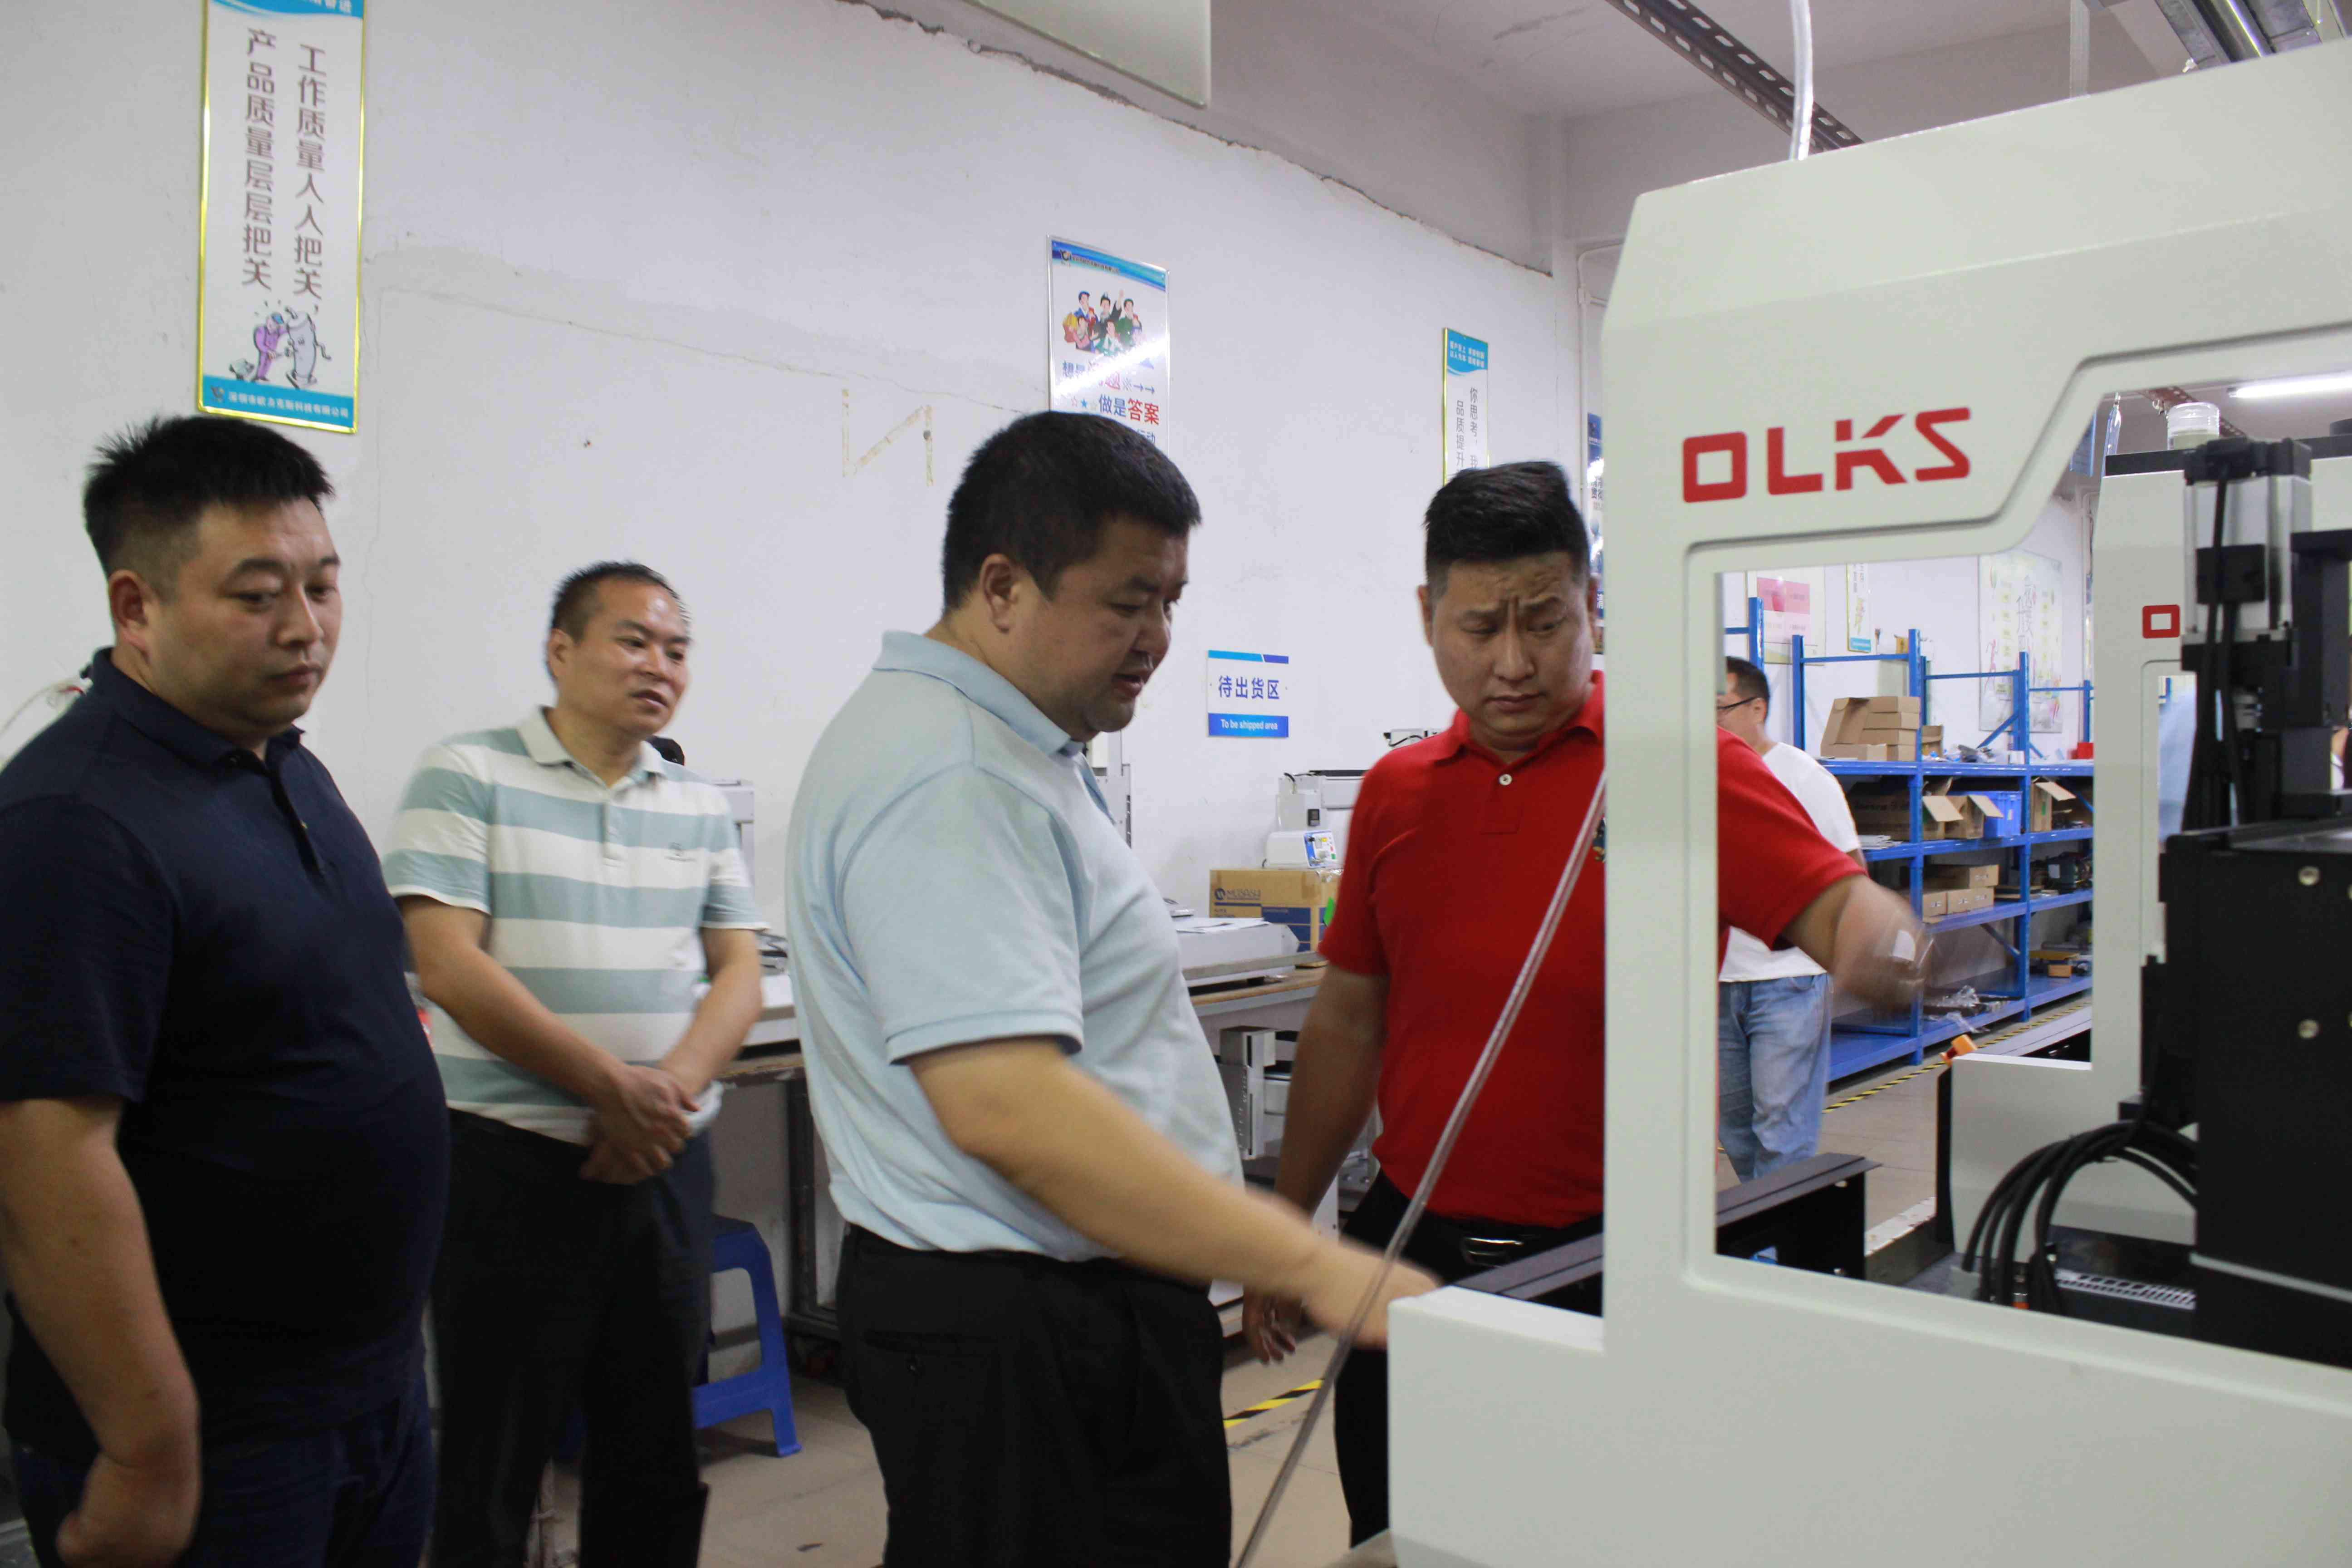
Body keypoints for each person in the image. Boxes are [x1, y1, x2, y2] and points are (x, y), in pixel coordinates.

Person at [785, 411, 1433, 1568]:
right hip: (1017, 1330)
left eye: (1172, 602)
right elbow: (1008, 1104)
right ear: (1003, 586)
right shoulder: (950, 771)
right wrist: (1309, 1259)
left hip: (1072, 1308)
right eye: (1128, 603)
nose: (1157, 639)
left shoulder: (1006, 745)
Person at [1244, 461, 1925, 1547]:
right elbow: (1348, 1020)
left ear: (1592, 608)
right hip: (1409, 1246)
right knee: (1395, 1528)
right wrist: (1287, 1225)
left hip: (1608, 1259)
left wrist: (1884, 945)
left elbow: (1837, 906)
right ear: (1427, 616)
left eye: (1544, 622)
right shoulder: (1397, 795)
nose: (1512, 662)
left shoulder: (1676, 769)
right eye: (1479, 627)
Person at [0, 415, 448, 1566]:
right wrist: (147, 1451)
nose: (305, 627)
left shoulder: (283, 762)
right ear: (136, 607)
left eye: (323, 585)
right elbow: (45, 1162)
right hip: (214, 1443)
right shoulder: (76, 822)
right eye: (257, 595)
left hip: (367, 1394)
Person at [385, 562, 767, 1568]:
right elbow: (446, 962)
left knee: (656, 1450)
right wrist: (610, 1089)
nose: (660, 666)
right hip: (511, 1164)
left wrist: (661, 1098)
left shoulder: (696, 803)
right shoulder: (466, 774)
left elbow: (738, 971)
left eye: (677, 650)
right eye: (633, 641)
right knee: (494, 1455)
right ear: (561, 651)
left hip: (663, 1163)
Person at [1714, 655, 1868, 1180]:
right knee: (1734, 1128)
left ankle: (1778, 1227)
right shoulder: (1697, 775)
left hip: (1789, 981)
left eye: (1720, 709)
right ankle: (1763, 1215)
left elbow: (1851, 873)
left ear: (1757, 708)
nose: (1709, 723)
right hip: (1717, 980)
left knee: (1782, 1128)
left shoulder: (1803, 777)